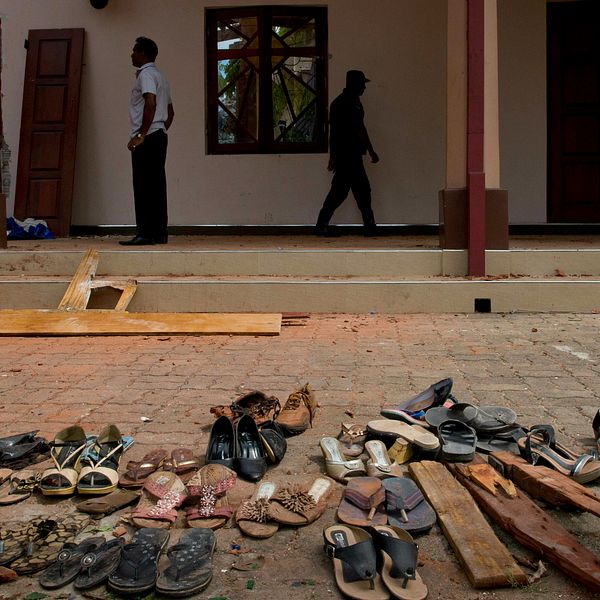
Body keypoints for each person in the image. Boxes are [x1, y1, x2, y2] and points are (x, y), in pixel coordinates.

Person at [120, 37, 174, 246]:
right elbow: (170, 112)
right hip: (159, 135)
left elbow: (150, 102)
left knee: (143, 186)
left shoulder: (146, 75)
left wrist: (142, 134)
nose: (131, 54)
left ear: (143, 54)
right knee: (157, 186)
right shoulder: (161, 76)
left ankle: (145, 233)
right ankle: (159, 233)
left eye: (134, 51)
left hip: (148, 137)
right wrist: (159, 128)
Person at [316, 70, 379, 237]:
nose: (364, 87)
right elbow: (336, 132)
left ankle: (368, 226)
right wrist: (333, 157)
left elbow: (360, 127)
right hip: (346, 155)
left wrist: (370, 150)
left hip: (351, 154)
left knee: (352, 191)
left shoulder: (354, 102)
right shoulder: (343, 103)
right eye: (362, 84)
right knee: (348, 191)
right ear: (354, 84)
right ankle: (368, 227)